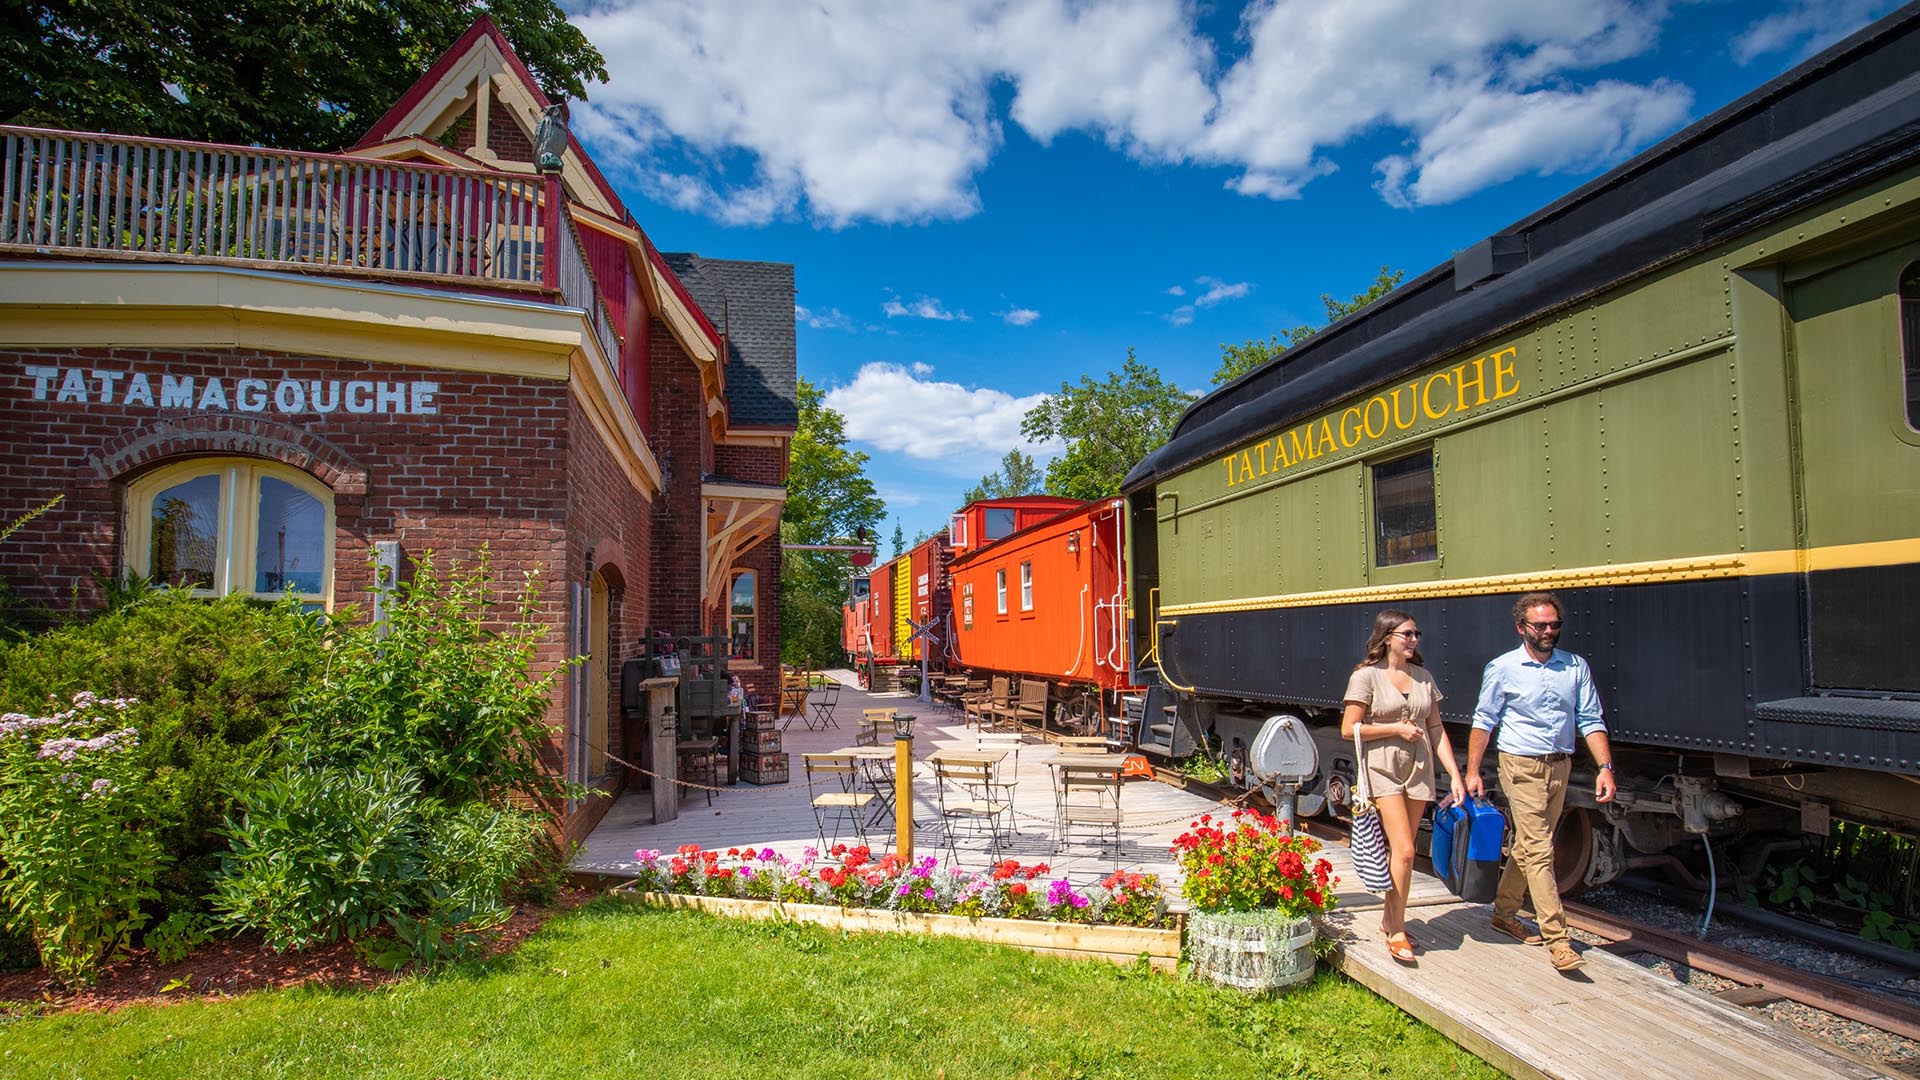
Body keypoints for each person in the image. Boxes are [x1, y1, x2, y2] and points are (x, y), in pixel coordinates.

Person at [1465, 591, 1617, 973]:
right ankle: (1558, 940)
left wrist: (1605, 766)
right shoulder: (1502, 668)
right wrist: (1471, 771)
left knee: (1532, 845)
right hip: (1519, 765)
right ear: (1521, 628)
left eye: (1555, 625)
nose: (1549, 631)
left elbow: (1591, 719)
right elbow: (1484, 721)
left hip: (1559, 766)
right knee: (1539, 849)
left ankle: (1503, 913)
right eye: (1541, 625)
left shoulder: (1574, 667)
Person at [1343, 609, 1465, 965]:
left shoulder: (1424, 678)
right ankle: (1397, 930)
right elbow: (1349, 729)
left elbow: (1437, 728)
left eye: (1416, 634)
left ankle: (1388, 918)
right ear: (1387, 638)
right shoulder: (1366, 677)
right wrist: (1395, 729)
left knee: (1402, 855)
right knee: (1407, 850)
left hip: (1419, 770)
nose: (1413, 640)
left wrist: (1454, 775)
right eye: (1407, 634)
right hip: (1382, 769)